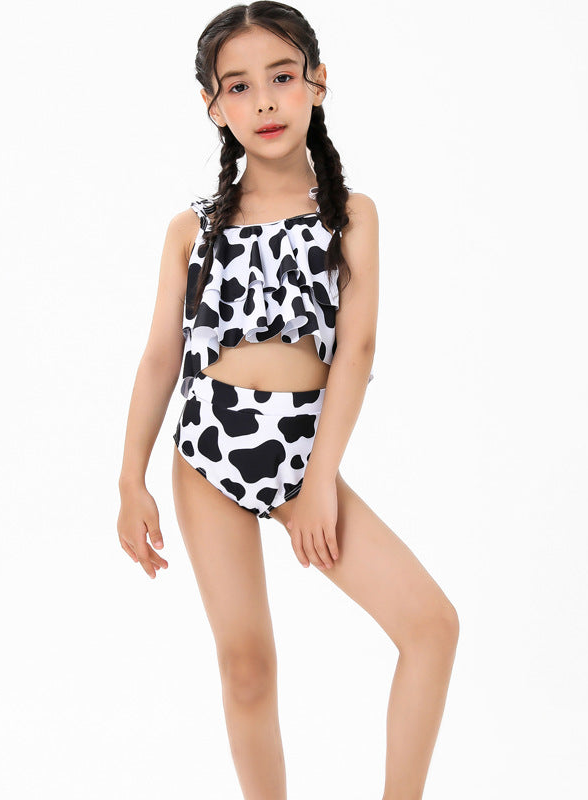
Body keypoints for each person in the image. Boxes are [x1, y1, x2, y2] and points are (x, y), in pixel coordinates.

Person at [117, 3, 459, 798]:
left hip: (308, 450)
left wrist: (318, 483)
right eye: (239, 86)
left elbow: (357, 353)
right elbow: (161, 356)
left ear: (317, 83)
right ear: (214, 105)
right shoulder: (191, 229)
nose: (264, 101)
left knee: (431, 626)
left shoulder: (350, 216)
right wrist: (130, 478)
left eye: (281, 77)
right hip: (209, 449)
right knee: (247, 668)